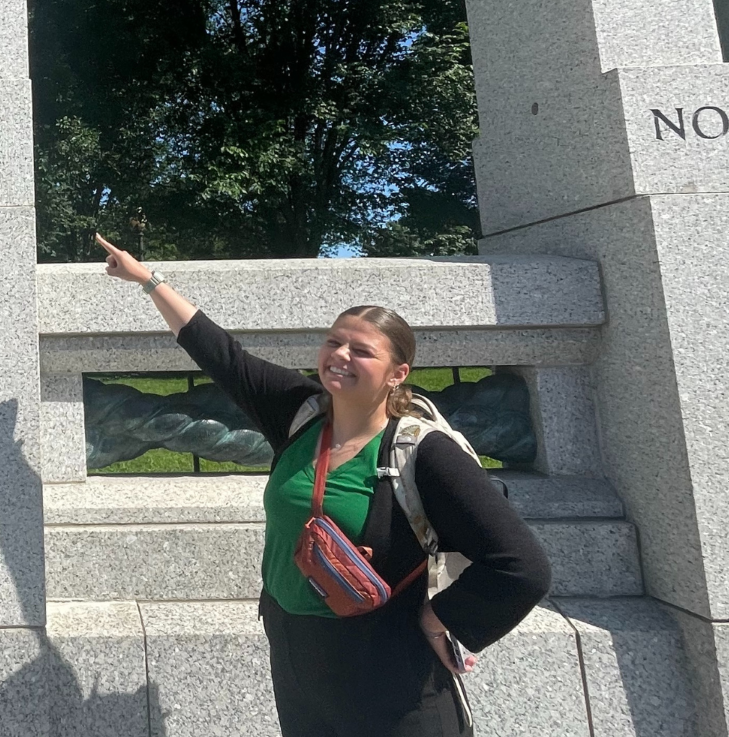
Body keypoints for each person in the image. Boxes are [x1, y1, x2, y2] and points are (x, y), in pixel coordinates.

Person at [95, 234, 552, 737]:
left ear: (398, 374)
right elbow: (222, 355)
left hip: (390, 676)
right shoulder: (302, 413)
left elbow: (522, 567)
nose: (340, 356)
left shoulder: (425, 452)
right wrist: (147, 279)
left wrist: (440, 618)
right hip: (300, 662)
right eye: (334, 342)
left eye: (362, 351)